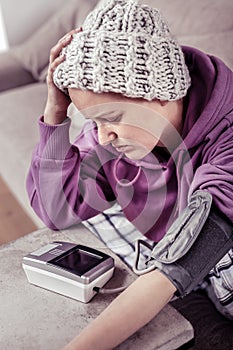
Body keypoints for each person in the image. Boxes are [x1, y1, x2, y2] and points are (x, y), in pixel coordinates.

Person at [26, 0, 233, 348]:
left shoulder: (226, 141)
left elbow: (175, 267)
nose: (102, 135)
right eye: (93, 121)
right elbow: (55, 210)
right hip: (196, 286)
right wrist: (56, 112)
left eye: (112, 118)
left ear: (162, 94)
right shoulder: (117, 139)